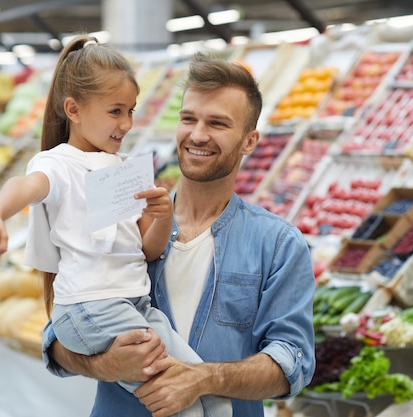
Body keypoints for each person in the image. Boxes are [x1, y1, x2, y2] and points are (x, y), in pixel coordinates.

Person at [42, 52, 317, 417]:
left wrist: (204, 378)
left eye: (218, 123)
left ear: (250, 141)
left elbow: (292, 362)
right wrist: (107, 365)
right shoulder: (125, 216)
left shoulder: (278, 244)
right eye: (189, 119)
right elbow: (58, 335)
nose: (198, 135)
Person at [0, 36, 232, 417]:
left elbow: (148, 250)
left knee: (215, 399)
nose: (126, 123)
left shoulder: (124, 170)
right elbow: (23, 187)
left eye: (131, 111)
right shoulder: (57, 164)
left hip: (136, 304)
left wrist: (163, 216)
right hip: (91, 307)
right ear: (73, 109)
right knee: (185, 407)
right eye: (115, 111)